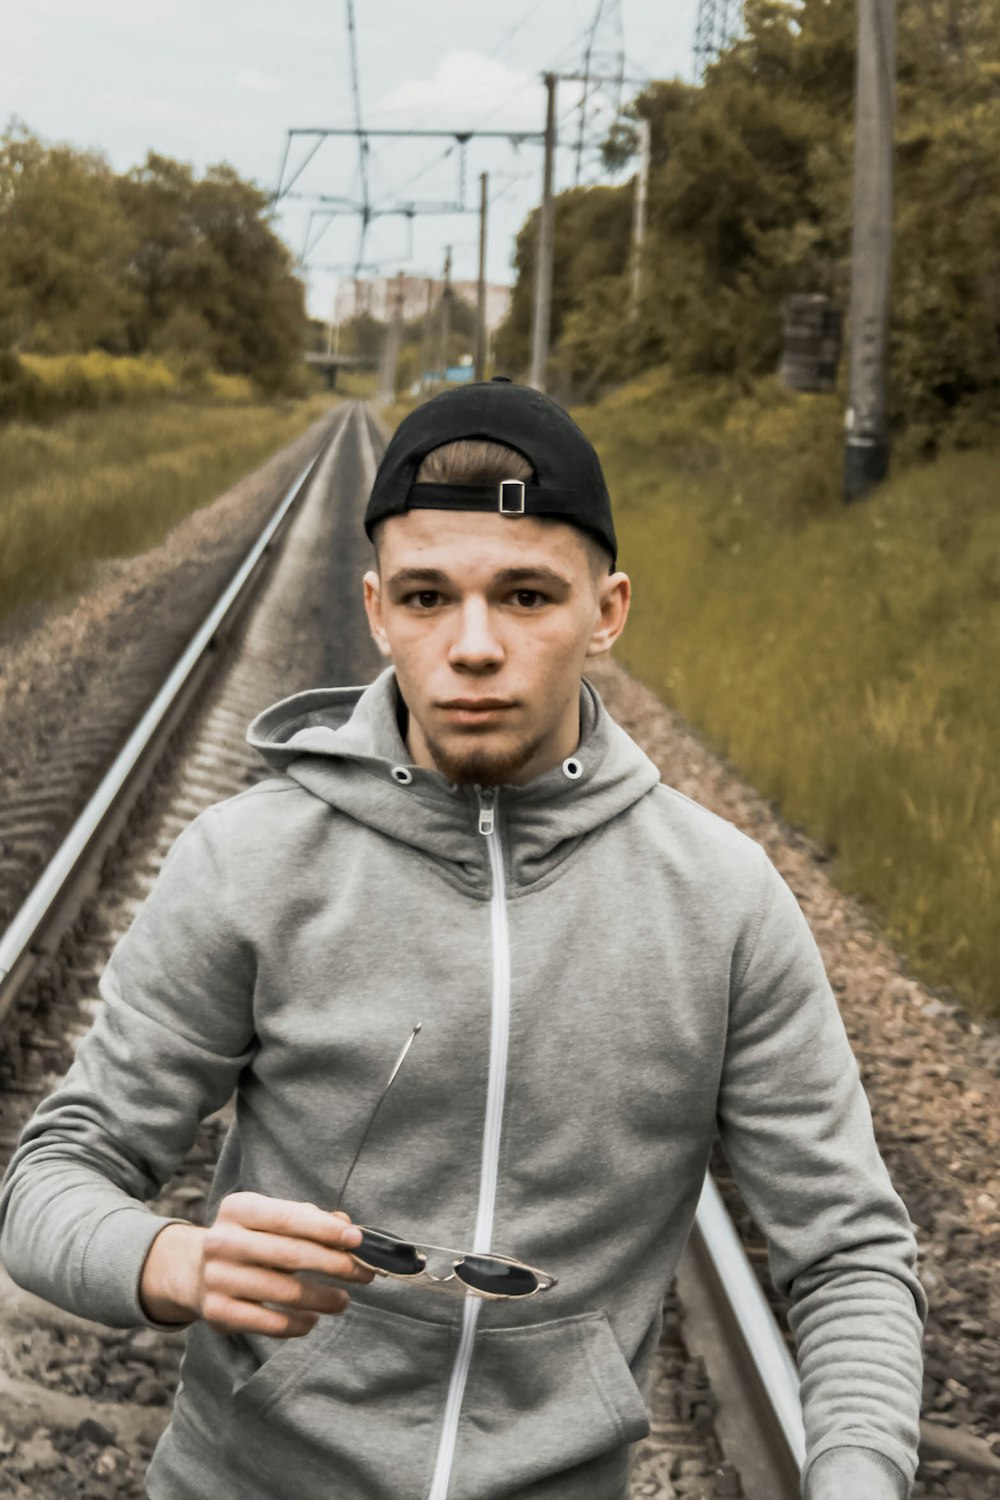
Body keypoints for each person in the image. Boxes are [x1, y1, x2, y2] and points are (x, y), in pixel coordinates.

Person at [0, 376, 926, 1500]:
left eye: (527, 595)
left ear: (608, 610)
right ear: (378, 609)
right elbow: (53, 1175)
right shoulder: (244, 864)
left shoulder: (724, 902)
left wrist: (861, 1477)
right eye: (430, 598)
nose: (473, 646)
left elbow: (849, 1255)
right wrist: (171, 1260)